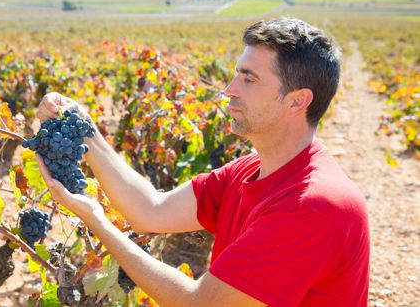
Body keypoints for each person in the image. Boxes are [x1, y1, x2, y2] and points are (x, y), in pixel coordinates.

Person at [35, 17, 370, 307]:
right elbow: (151, 210)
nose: (228, 89)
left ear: (297, 100)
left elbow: (197, 303)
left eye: (249, 78)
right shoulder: (250, 170)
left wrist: (98, 221)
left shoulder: (312, 208)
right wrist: (84, 131)